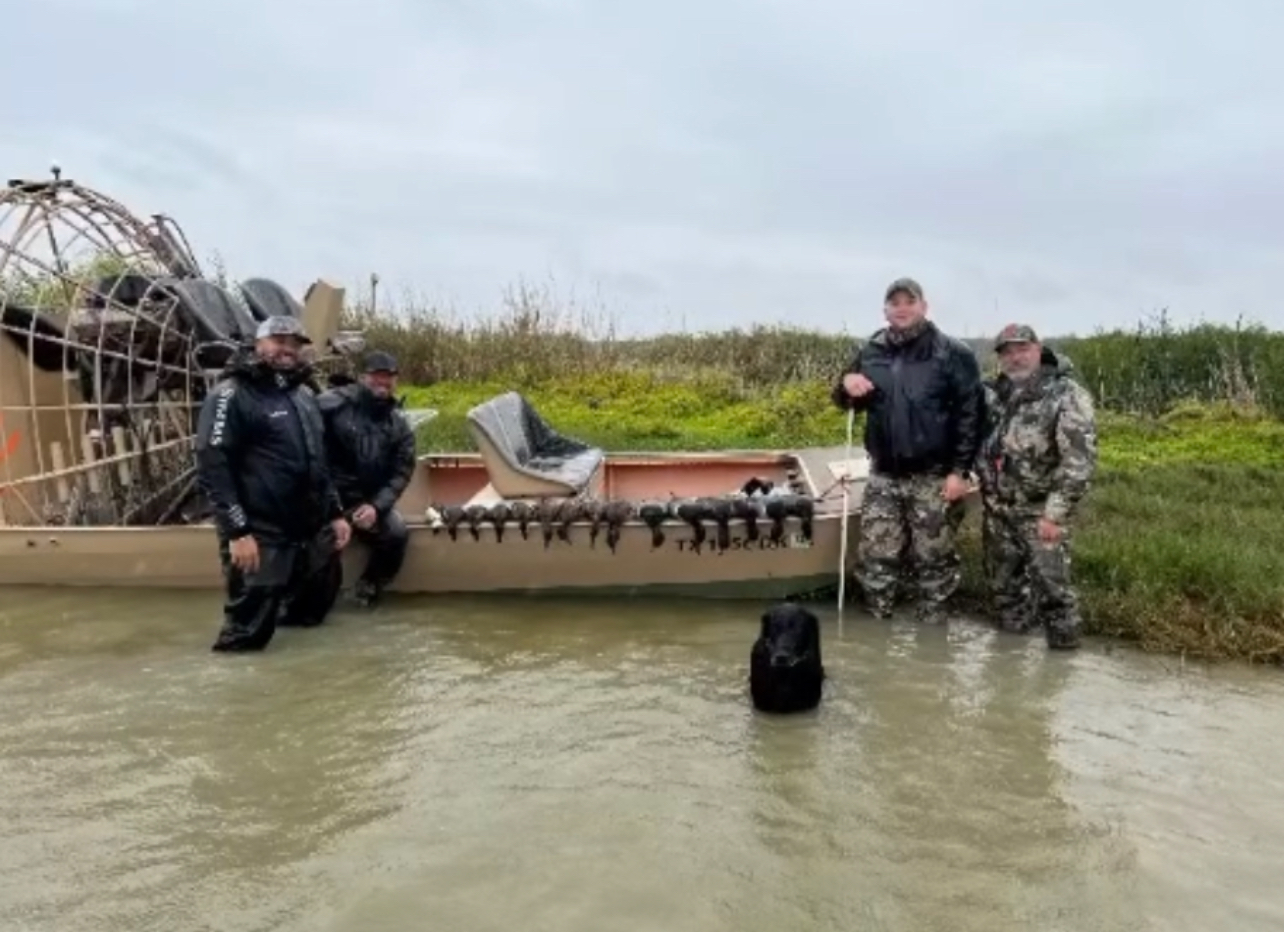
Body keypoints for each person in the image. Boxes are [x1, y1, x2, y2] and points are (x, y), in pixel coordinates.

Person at [831, 277, 984, 624]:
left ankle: (933, 634)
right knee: (875, 557)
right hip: (884, 474)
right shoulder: (870, 350)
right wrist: (846, 386)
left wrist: (960, 471)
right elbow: (845, 399)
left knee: (934, 558)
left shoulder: (953, 353)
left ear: (923, 307)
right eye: (894, 302)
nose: (902, 308)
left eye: (909, 302)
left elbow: (971, 415)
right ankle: (876, 628)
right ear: (885, 309)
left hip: (933, 475)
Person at [194, 315, 352, 652]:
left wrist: (336, 512)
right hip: (260, 532)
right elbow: (213, 465)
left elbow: (319, 460)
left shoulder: (304, 394)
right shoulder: (230, 395)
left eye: (294, 343)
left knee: (312, 615)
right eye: (279, 341)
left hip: (311, 530)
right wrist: (237, 532)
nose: (287, 349)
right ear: (258, 344)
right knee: (247, 636)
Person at [976, 324, 1097, 649]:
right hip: (998, 513)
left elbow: (1078, 461)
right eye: (1007, 352)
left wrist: (1054, 515)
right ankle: (1010, 673)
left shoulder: (1066, 394)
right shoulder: (994, 394)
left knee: (1055, 596)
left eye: (1022, 349)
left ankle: (1061, 665)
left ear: (1039, 349)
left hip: (1040, 514)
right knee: (1004, 595)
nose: (1015, 358)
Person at [318, 350, 417, 607]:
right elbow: (311, 453)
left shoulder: (399, 425)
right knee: (316, 542)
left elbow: (402, 472)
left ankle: (368, 589)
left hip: (368, 502)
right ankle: (313, 599)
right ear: (363, 377)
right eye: (376, 376)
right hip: (326, 498)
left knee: (396, 534)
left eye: (389, 377)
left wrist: (376, 506)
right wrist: (333, 509)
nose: (382, 382)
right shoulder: (333, 406)